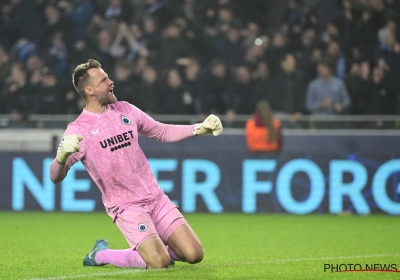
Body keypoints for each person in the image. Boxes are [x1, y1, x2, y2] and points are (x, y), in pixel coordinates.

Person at [49, 59, 223, 269]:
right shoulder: (79, 129)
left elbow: (161, 131)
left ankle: (155, 250)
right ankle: (102, 254)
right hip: (126, 206)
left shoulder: (125, 110)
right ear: (90, 90)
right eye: (104, 80)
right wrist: (61, 158)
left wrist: (198, 129)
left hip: (156, 198)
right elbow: (54, 176)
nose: (111, 82)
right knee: (159, 262)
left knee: (194, 254)